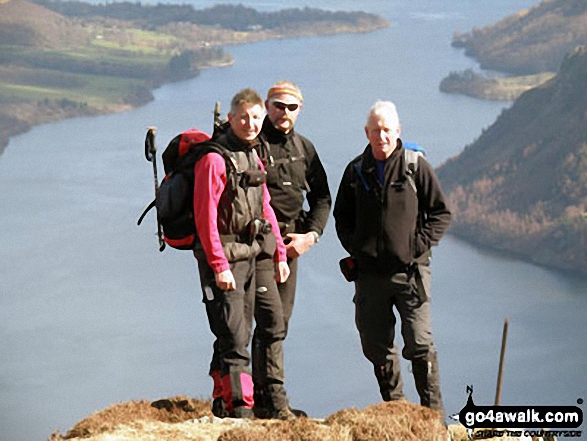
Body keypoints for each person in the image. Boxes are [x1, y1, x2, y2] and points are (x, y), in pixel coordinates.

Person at [333, 101, 451, 421]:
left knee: (420, 344)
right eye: (376, 130)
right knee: (376, 345)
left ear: (398, 131)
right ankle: (396, 410)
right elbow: (341, 216)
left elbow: (441, 213)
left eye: (387, 129)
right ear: (367, 132)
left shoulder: (415, 166)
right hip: (370, 276)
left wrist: (417, 246)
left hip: (410, 274)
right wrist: (357, 248)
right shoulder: (356, 171)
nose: (381, 136)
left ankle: (433, 417)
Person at [193, 88, 289, 418]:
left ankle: (222, 402)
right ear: (231, 118)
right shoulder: (214, 160)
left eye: (256, 118)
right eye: (244, 117)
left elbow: (265, 207)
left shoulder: (252, 155)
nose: (250, 124)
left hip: (248, 255)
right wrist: (218, 265)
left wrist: (277, 252)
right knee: (235, 337)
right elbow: (205, 216)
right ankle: (241, 412)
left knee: (238, 331)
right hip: (224, 258)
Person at [251, 81, 331, 418]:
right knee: (268, 322)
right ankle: (274, 402)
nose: (285, 113)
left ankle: (260, 399)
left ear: (300, 109)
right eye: (278, 106)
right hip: (256, 247)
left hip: (290, 247)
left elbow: (323, 198)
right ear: (267, 106)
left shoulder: (305, 149)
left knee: (278, 323)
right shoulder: (252, 144)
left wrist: (310, 236)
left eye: (291, 107)